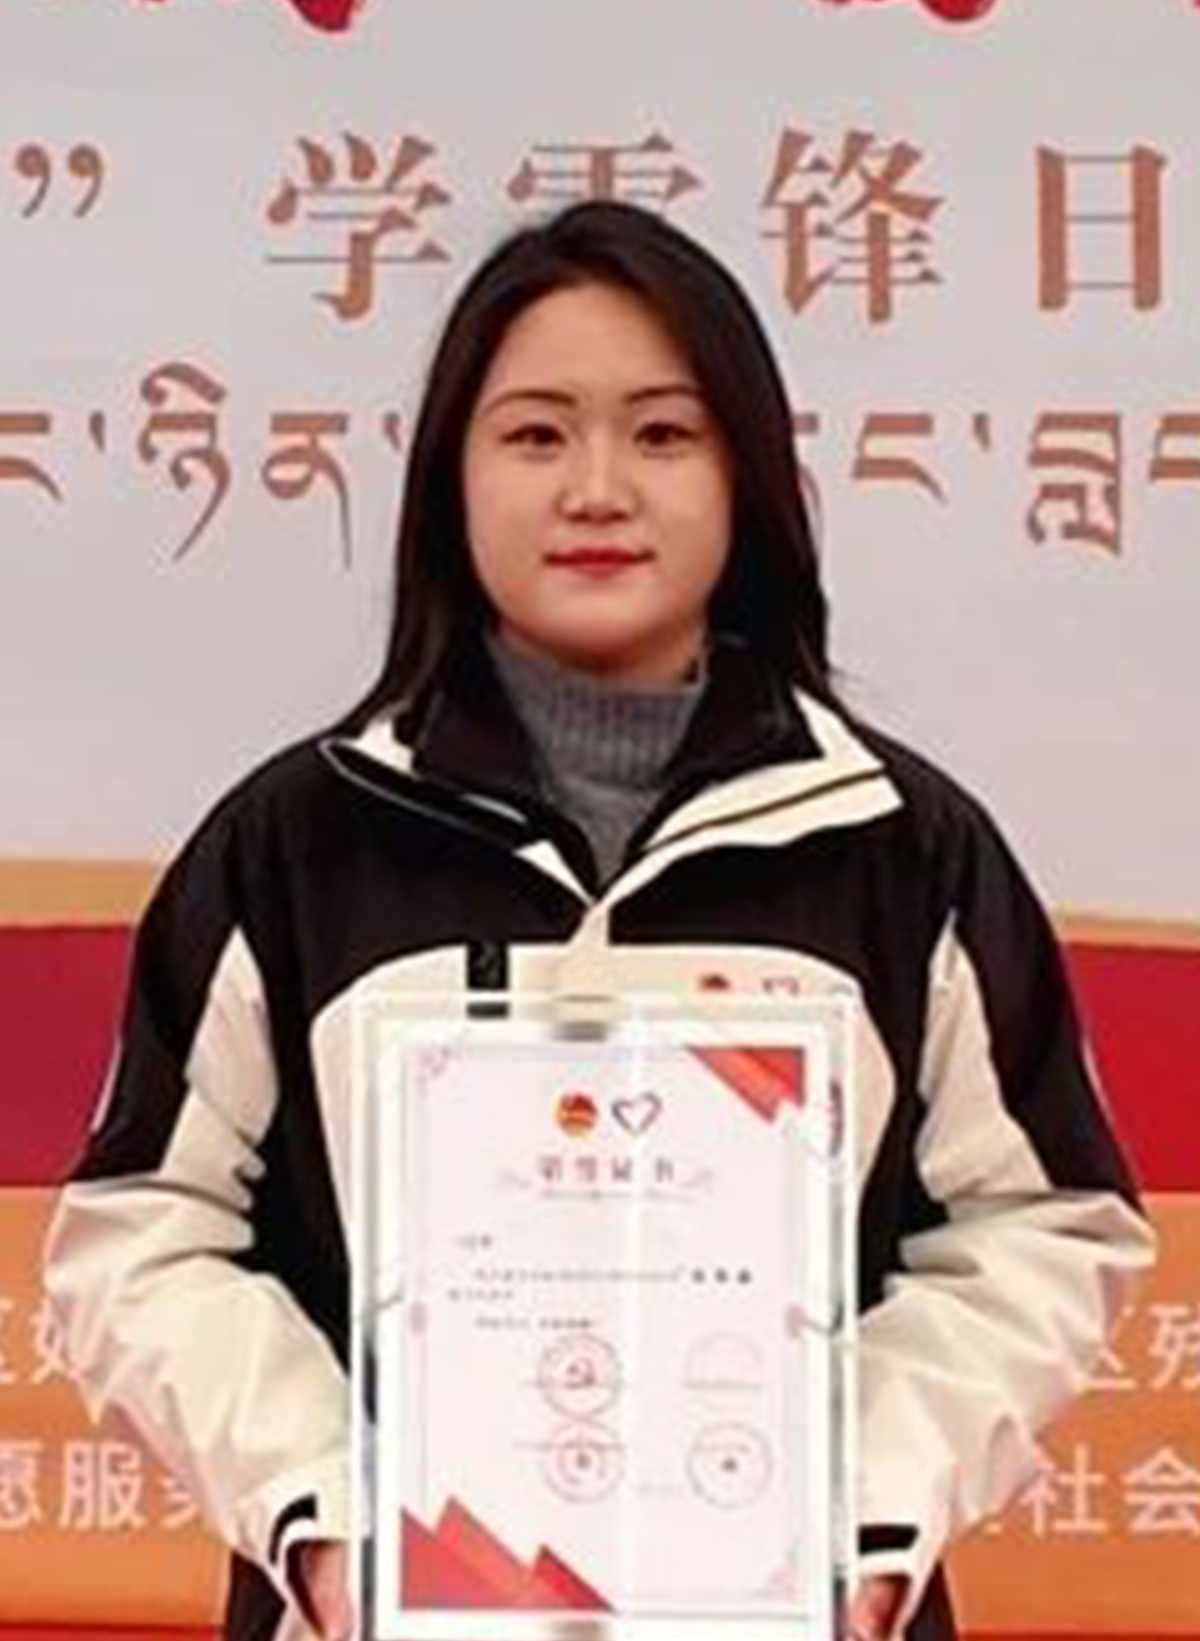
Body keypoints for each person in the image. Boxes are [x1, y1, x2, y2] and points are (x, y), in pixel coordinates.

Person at [44, 201, 1153, 1641]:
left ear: (749, 476)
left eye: (664, 433)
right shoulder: (294, 846)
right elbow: (144, 1233)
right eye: (536, 434)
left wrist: (857, 1515)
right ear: (450, 479)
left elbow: (1041, 1224)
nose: (597, 489)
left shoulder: (901, 847)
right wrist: (331, 1520)